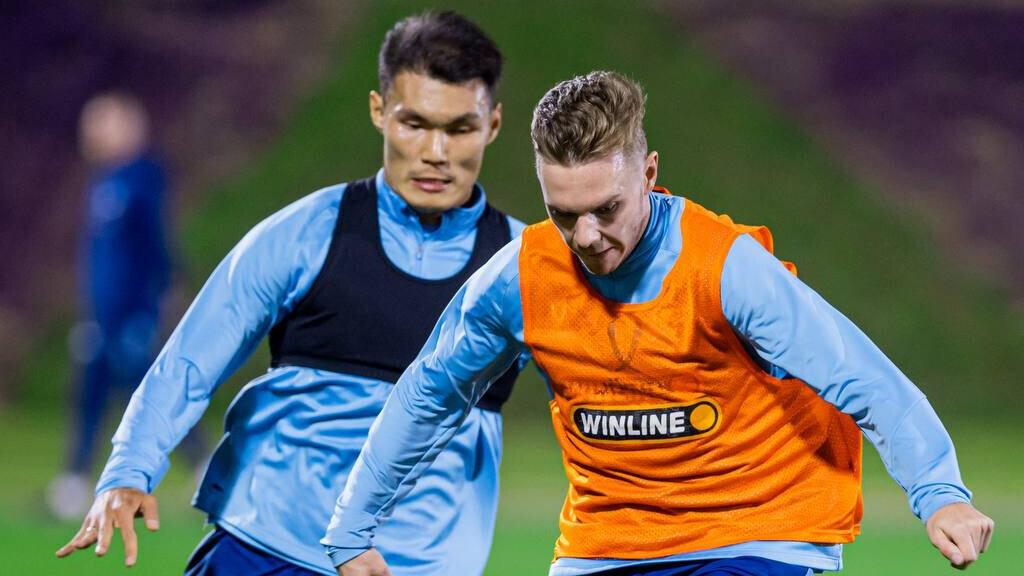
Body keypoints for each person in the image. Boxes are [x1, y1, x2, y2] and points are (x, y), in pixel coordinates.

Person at [324, 71, 995, 576]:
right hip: (608, 541)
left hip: (757, 528)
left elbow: (860, 376)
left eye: (606, 209)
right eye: (563, 214)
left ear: (648, 173)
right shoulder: (518, 280)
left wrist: (939, 493)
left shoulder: (725, 269)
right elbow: (430, 394)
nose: (587, 237)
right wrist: (353, 529)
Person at [56, 12, 525, 575]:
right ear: (379, 112)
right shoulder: (307, 232)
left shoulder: (526, 269)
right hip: (265, 549)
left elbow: (605, 396)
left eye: (459, 129)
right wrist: (129, 470)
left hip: (418, 566)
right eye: (414, 123)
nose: (435, 152)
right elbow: (189, 361)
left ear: (493, 124)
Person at [47, 92, 207, 520]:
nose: (92, 132)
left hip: (134, 314)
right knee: (90, 395)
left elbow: (156, 244)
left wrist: (157, 298)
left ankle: (204, 468)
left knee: (154, 394)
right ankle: (74, 481)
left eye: (103, 122)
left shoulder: (141, 179)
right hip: (101, 316)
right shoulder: (103, 181)